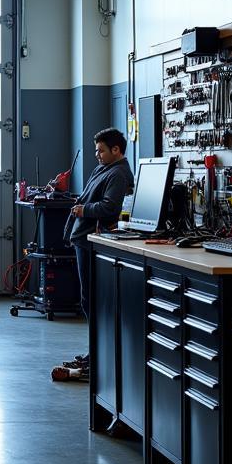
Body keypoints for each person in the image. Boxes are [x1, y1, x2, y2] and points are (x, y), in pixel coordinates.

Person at [64, 128, 136, 321]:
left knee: (91, 296)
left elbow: (109, 207)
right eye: (96, 151)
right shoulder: (102, 169)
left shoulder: (118, 174)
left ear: (116, 150)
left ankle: (97, 350)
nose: (97, 155)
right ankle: (95, 350)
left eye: (101, 151)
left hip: (93, 240)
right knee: (87, 296)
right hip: (82, 237)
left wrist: (84, 210)